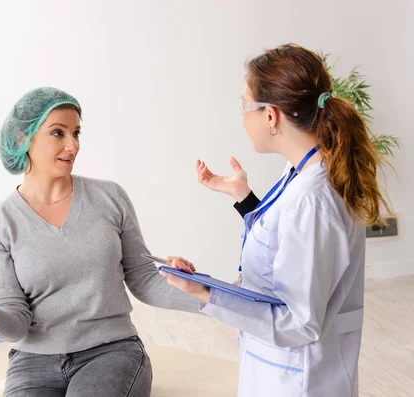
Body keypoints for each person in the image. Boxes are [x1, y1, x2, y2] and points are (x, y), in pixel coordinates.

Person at [0, 87, 202, 397]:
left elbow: (144, 280)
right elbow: (16, 324)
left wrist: (220, 299)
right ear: (23, 139)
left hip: (111, 352)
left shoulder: (110, 198)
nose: (73, 145)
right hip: (32, 363)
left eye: (76, 133)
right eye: (58, 133)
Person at [162, 44, 394, 397]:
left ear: (270, 115)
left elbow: (299, 321)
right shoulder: (301, 173)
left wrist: (207, 294)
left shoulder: (311, 198)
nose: (242, 117)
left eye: (245, 106)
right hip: (280, 369)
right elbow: (283, 249)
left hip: (297, 380)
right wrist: (245, 200)